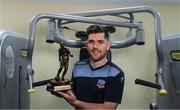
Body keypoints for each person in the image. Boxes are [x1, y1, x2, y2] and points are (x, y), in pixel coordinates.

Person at [52, 25, 125, 109]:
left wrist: (76, 103)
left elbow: (108, 108)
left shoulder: (116, 73)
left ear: (108, 45)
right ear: (86, 45)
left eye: (100, 42)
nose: (95, 46)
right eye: (91, 42)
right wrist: (60, 91)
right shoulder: (78, 66)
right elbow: (73, 92)